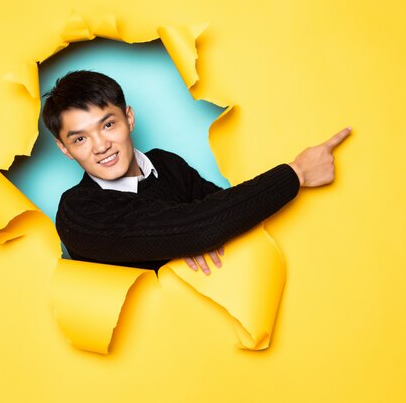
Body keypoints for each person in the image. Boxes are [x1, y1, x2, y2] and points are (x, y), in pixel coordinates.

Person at [42, 70, 352, 274]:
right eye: (80, 139)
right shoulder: (78, 212)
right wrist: (296, 173)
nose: (100, 146)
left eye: (108, 125)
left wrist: (191, 233)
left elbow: (226, 213)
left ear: (129, 119)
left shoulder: (165, 164)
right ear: (65, 149)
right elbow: (198, 227)